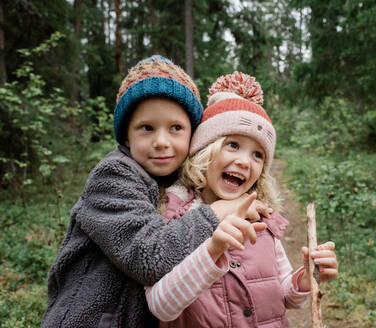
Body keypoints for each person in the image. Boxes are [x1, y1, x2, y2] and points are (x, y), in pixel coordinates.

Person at [41, 56, 270, 328]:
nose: (162, 142)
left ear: (193, 136)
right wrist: (217, 212)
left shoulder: (180, 183)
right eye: (147, 128)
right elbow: (149, 257)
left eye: (176, 128)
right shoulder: (114, 176)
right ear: (127, 135)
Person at [146, 72, 338, 327]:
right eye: (233, 145)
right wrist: (211, 250)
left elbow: (282, 295)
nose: (245, 161)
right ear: (204, 151)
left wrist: (306, 279)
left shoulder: (263, 222)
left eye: (258, 155)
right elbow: (161, 308)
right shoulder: (174, 217)